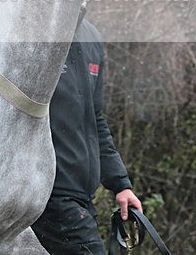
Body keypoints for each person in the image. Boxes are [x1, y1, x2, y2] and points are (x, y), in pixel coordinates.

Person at [31, 17, 142, 255]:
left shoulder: (91, 34)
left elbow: (95, 119)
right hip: (47, 195)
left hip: (81, 198)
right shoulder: (35, 26)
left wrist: (120, 185)